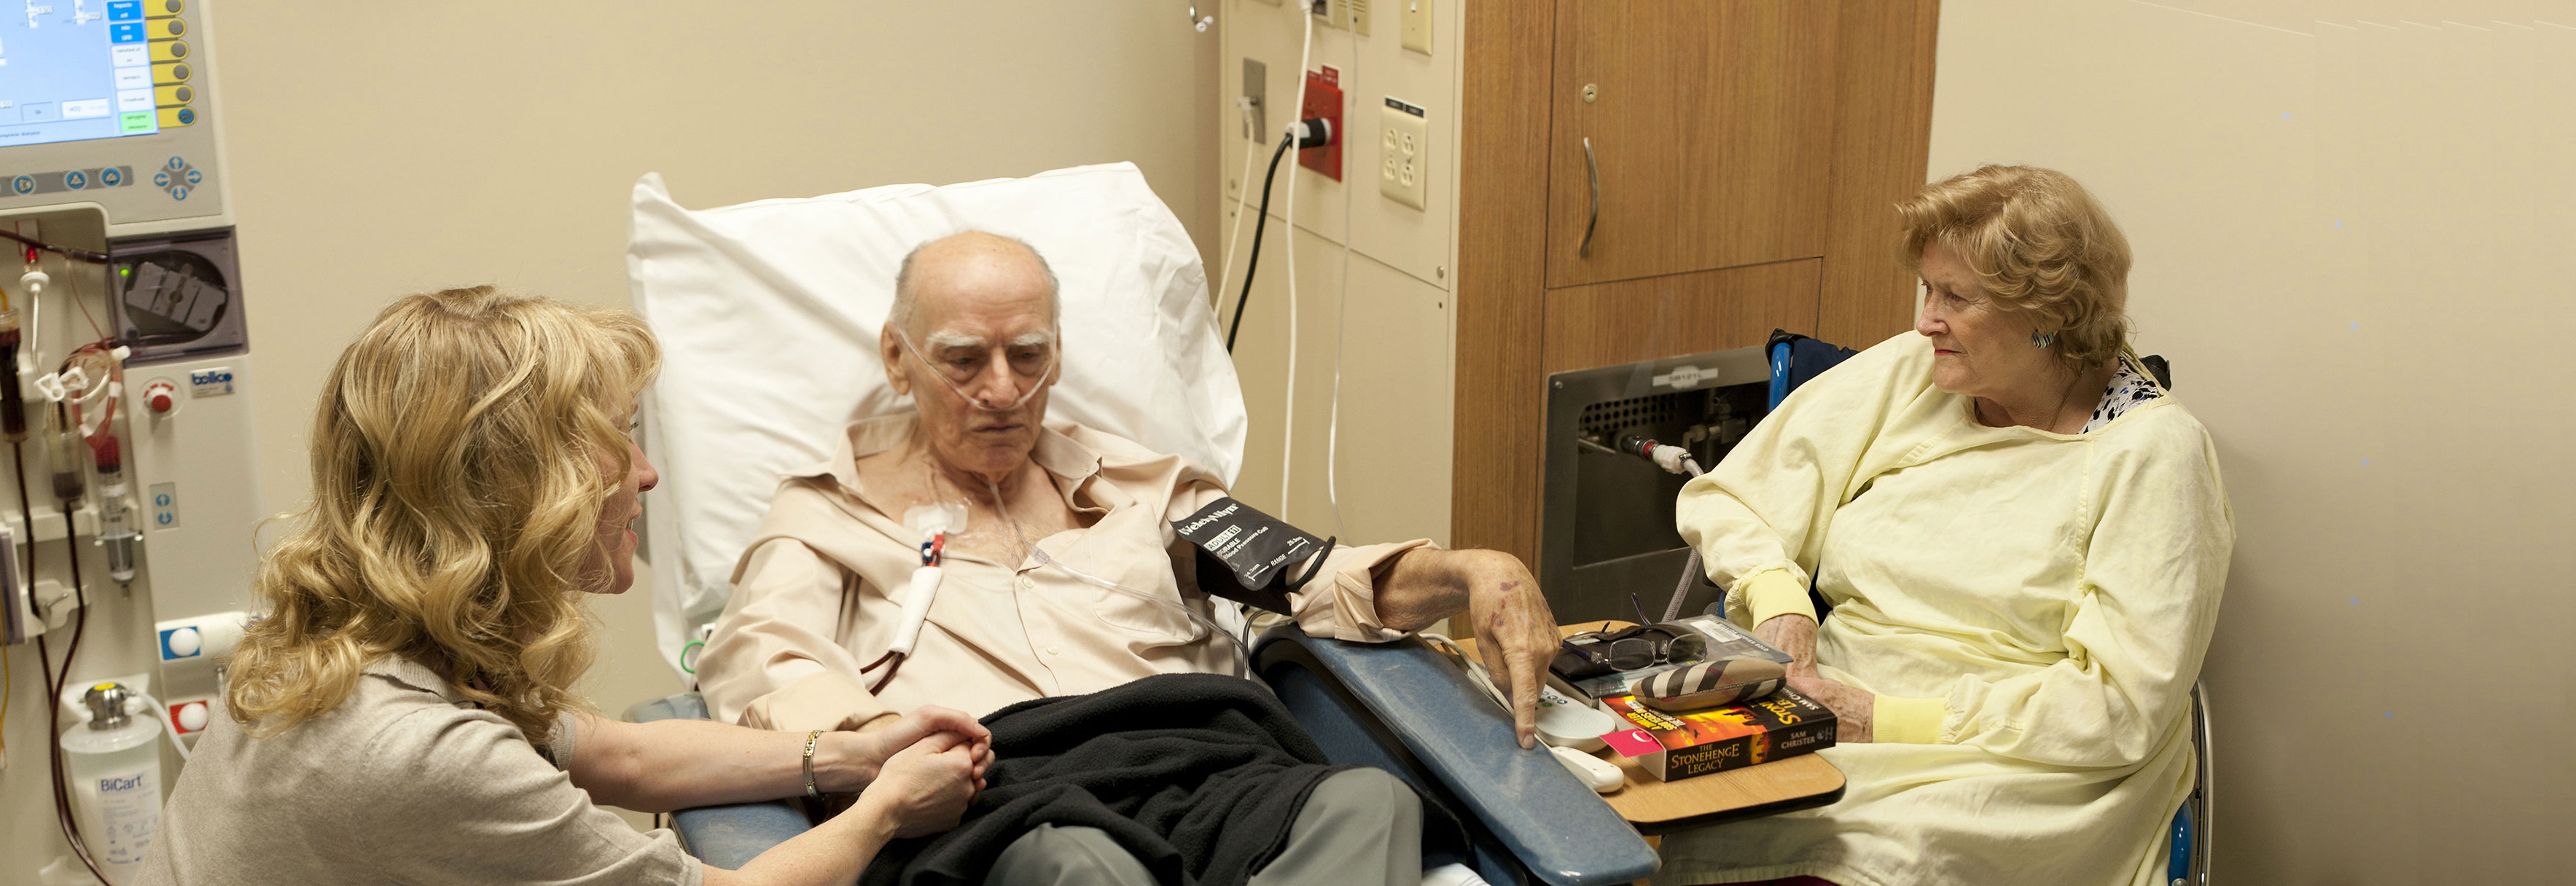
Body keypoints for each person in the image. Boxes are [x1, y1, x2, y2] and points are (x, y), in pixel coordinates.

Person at [694, 231, 1561, 885]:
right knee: (1081, 865)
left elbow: (1315, 573)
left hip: (1206, 762)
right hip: (1007, 794)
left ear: (1058, 354)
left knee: (1370, 801)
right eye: (963, 359)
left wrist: (1474, 570)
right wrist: (882, 752)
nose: (1001, 390)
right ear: (899, 357)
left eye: (1027, 355)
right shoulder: (827, 515)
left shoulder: (1140, 489)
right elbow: (767, 672)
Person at [141, 288, 994, 886]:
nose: (649, 475)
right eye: (620, 439)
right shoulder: (420, 755)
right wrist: (883, 809)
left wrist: (853, 752)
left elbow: (617, 753)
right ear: (522, 488)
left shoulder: (353, 642)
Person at [1660, 165, 2233, 885]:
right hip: (1824, 704)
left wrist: (1885, 718)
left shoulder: (2153, 455)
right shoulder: (1912, 374)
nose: (1926, 319)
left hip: (2018, 768)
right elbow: (1732, 496)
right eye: (1928, 289)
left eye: (1955, 297)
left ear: (2049, 315)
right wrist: (1780, 602)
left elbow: (2117, 709)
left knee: (1888, 861)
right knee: (1654, 811)